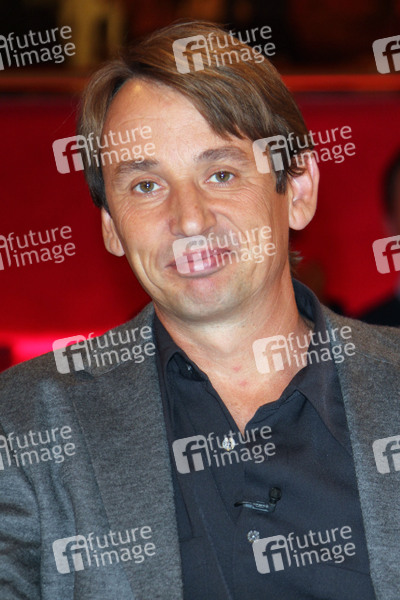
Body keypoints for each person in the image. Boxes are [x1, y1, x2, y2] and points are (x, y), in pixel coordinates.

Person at [0, 20, 399, 600]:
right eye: (145, 186)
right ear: (110, 226)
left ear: (299, 189)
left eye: (221, 173)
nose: (189, 219)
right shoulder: (24, 424)